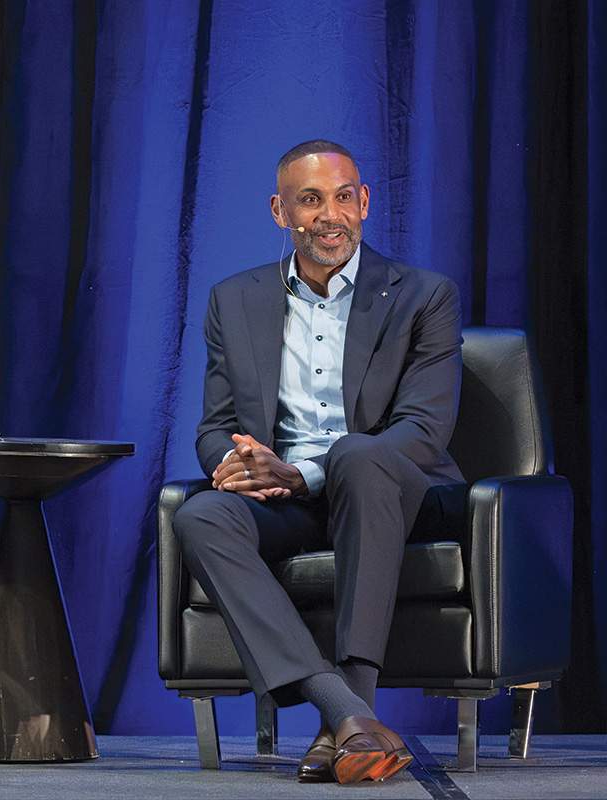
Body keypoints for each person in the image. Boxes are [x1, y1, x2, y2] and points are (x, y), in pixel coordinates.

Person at [172, 140, 466, 784]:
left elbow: (421, 431)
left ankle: (344, 718)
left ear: (364, 202)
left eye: (342, 197)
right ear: (281, 212)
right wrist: (238, 461)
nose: (329, 215)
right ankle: (350, 716)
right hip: (292, 504)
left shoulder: (424, 296)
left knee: (358, 456)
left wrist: (303, 472)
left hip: (393, 494)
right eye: (310, 200)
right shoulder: (234, 299)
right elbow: (215, 427)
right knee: (199, 517)